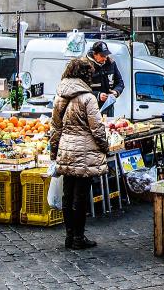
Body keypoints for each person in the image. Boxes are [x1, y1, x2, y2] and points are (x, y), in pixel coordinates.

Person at [49, 58, 108, 250]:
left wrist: (54, 151)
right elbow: (97, 128)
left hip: (66, 149)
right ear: (86, 75)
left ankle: (69, 235)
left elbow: (55, 127)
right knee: (80, 195)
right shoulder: (88, 98)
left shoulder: (60, 96)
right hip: (84, 151)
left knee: (68, 193)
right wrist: (104, 147)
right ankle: (78, 237)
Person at [86, 41, 124, 117]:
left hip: (108, 107)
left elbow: (120, 82)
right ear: (94, 54)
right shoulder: (85, 66)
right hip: (92, 109)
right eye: (102, 55)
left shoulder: (111, 64)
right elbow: (80, 90)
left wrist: (116, 91)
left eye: (106, 55)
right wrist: (98, 96)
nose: (105, 58)